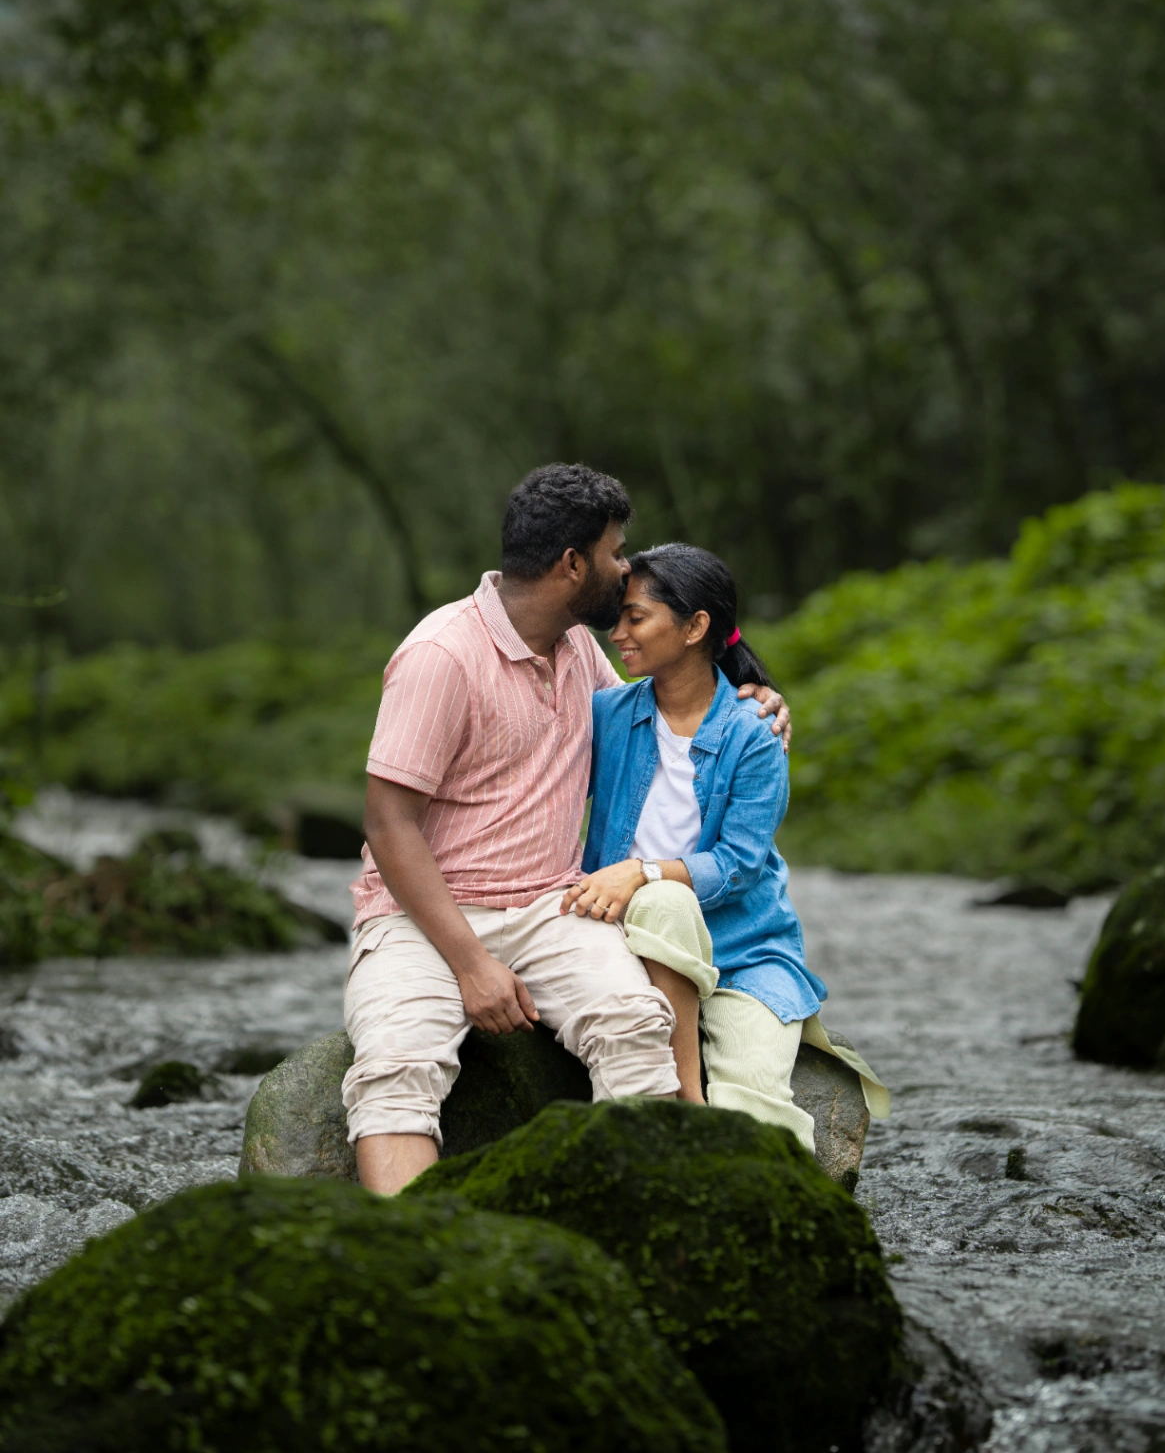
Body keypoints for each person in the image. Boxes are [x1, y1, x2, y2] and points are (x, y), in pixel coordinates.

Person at [342, 465, 791, 1193]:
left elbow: (660, 718)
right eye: (616, 552)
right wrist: (472, 966)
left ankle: (630, 1231)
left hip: (554, 907)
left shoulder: (580, 650)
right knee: (396, 1071)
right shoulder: (441, 655)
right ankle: (413, 1251)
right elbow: (388, 824)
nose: (625, 568)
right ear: (573, 564)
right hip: (421, 918)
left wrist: (753, 698)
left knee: (634, 1028)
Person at [564, 542, 887, 1153]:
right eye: (617, 619)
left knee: (755, 1105)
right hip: (629, 935)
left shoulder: (753, 733)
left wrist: (642, 871)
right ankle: (687, 1100)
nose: (618, 634)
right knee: (663, 906)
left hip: (742, 951)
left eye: (636, 617)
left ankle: (779, 1197)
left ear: (695, 627)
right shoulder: (607, 714)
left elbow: (738, 865)